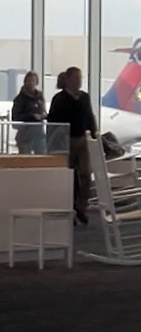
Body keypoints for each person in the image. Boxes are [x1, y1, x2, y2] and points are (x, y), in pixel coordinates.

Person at [48, 67, 98, 226]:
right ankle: (70, 206)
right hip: (66, 141)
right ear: (68, 80)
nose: (79, 81)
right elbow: (53, 122)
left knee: (85, 175)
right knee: (69, 177)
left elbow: (89, 115)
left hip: (82, 139)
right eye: (76, 78)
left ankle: (81, 206)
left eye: (80, 78)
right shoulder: (59, 99)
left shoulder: (84, 97)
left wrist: (94, 132)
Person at [11, 71, 46, 154]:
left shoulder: (40, 97)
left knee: (42, 158)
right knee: (25, 158)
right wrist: (31, 116)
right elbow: (15, 118)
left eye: (33, 81)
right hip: (25, 136)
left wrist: (43, 115)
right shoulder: (20, 99)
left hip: (39, 135)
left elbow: (44, 111)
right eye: (29, 81)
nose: (31, 83)